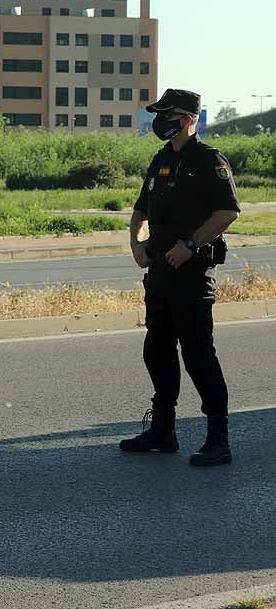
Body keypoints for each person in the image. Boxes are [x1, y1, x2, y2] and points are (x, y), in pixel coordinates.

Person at [120, 89, 240, 466]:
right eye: (158, 113)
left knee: (199, 355)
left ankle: (217, 439)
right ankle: (162, 431)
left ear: (188, 118)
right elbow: (140, 210)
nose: (160, 120)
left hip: (191, 275)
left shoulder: (208, 160)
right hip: (158, 275)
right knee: (157, 351)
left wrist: (191, 243)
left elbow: (227, 212)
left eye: (167, 113)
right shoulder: (160, 160)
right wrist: (137, 245)